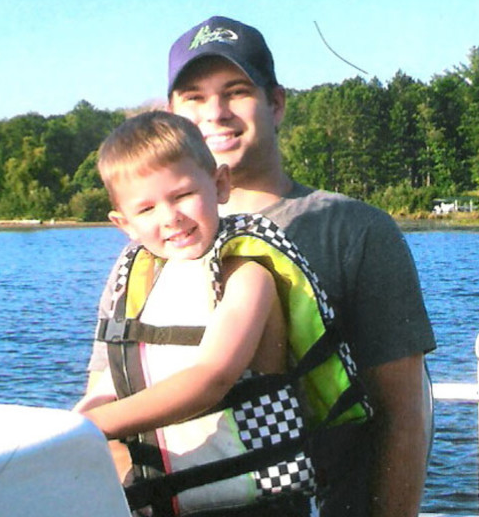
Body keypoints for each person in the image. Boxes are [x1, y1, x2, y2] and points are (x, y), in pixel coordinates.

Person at [86, 15, 436, 517]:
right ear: (173, 114)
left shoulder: (355, 231)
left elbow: (403, 417)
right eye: (194, 97)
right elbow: (112, 391)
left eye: (236, 91)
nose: (217, 112)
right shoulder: (143, 256)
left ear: (275, 103)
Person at [76, 110, 326, 516]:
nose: (170, 217)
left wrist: (93, 427)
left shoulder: (247, 275)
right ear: (124, 224)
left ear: (219, 185)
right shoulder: (138, 283)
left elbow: (212, 377)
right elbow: (107, 385)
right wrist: (65, 429)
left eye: (181, 196)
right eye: (147, 210)